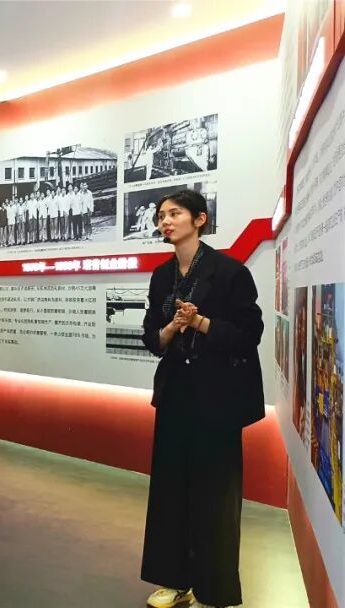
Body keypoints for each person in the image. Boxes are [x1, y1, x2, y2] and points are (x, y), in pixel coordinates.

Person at [140, 189, 264, 608]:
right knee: (170, 490)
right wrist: (173, 327)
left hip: (218, 398)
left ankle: (215, 590)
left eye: (174, 213)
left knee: (216, 495)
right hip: (176, 393)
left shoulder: (229, 271)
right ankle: (174, 582)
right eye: (161, 216)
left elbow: (249, 334)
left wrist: (201, 322)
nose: (165, 221)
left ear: (199, 219)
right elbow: (153, 339)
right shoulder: (161, 275)